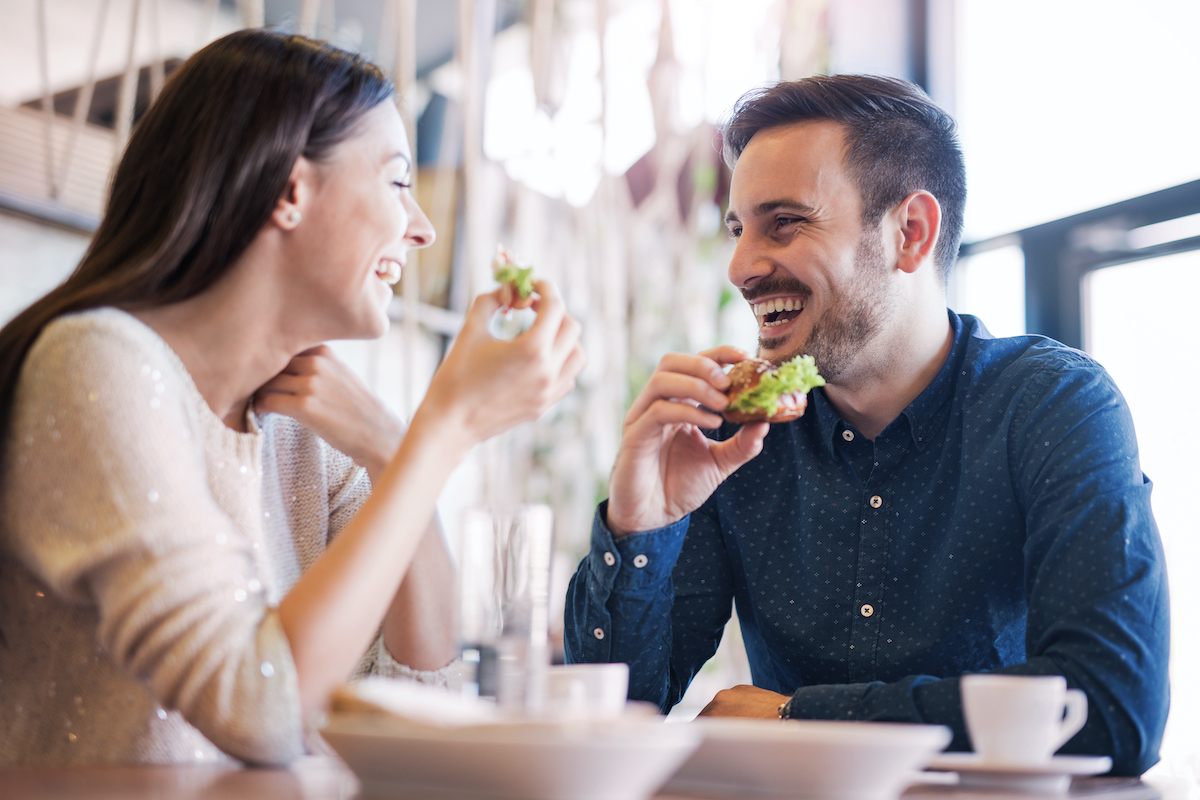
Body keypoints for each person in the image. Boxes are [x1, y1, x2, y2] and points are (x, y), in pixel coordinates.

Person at [0, 30, 584, 766]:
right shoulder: (93, 363)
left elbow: (421, 700)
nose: (423, 227)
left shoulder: (306, 432)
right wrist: (444, 430)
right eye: (398, 181)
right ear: (289, 191)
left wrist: (394, 447)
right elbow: (262, 709)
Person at [564, 75, 1168, 776]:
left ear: (910, 233)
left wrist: (801, 718)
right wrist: (642, 524)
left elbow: (1116, 708)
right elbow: (609, 721)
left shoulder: (1052, 406)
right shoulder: (730, 437)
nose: (740, 266)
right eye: (737, 228)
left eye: (783, 222)